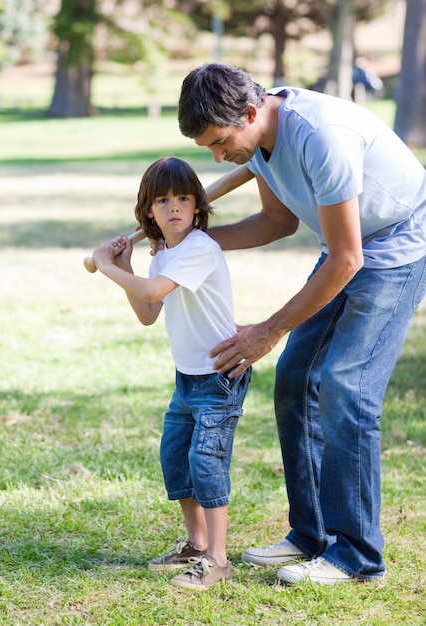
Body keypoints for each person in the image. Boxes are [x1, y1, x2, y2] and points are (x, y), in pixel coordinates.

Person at [176, 63, 426, 585]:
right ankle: (311, 536)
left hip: (398, 242)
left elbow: (346, 258)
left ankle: (357, 558)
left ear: (250, 111)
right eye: (209, 149)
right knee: (295, 380)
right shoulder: (259, 137)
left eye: (221, 143)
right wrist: (192, 242)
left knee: (345, 385)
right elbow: (278, 220)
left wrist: (269, 328)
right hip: (350, 248)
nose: (219, 158)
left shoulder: (320, 137)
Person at [92, 156, 251, 590]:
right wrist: (123, 267)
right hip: (187, 377)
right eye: (163, 201)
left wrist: (105, 266)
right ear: (149, 212)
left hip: (219, 375)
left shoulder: (199, 247)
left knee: (206, 463)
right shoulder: (165, 254)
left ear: (198, 207)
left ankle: (218, 560)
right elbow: (147, 311)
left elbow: (152, 291)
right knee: (175, 459)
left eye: (184, 198)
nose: (175, 207)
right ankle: (196, 545)